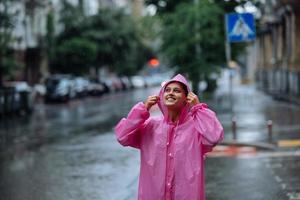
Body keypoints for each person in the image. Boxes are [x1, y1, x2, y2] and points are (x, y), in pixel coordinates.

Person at [115, 74, 224, 200]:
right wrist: (142, 109)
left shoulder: (195, 127)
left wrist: (198, 108)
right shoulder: (151, 126)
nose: (171, 93)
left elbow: (215, 136)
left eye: (177, 90)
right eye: (167, 90)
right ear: (161, 96)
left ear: (186, 98)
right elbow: (122, 136)